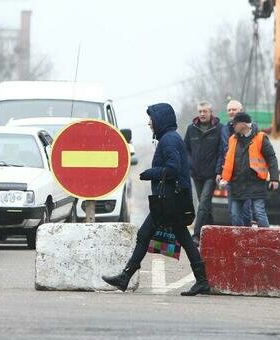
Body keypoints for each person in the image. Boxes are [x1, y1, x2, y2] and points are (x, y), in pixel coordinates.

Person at [102, 103, 210, 296]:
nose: (149, 123)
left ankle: (125, 277)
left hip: (170, 201)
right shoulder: (169, 138)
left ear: (161, 120)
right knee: (180, 238)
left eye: (151, 119)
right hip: (171, 199)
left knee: (146, 235)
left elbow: (173, 169)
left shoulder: (169, 140)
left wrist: (151, 173)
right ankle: (201, 281)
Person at [218, 112, 279, 227]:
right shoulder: (232, 139)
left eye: (234, 124)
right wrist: (224, 178)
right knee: (235, 215)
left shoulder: (261, 138)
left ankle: (265, 240)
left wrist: (274, 179)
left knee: (259, 213)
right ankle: (239, 241)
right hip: (237, 183)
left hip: (256, 183)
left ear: (242, 125)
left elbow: (271, 158)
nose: (233, 127)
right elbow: (228, 160)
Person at [183, 101, 223, 242]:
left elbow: (221, 152)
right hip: (196, 173)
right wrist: (189, 164)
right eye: (200, 111)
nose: (202, 114)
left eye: (205, 111)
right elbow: (185, 149)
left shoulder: (219, 129)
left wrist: (219, 171)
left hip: (211, 174)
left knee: (204, 202)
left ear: (210, 112)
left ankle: (196, 235)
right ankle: (213, 234)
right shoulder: (191, 129)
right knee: (205, 204)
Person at [218, 100, 259, 223]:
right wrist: (219, 172)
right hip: (231, 175)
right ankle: (237, 239)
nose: (231, 112)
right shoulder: (225, 129)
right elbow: (223, 152)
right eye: (229, 110)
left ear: (240, 110)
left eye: (234, 109)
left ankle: (247, 236)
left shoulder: (252, 129)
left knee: (246, 211)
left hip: (246, 175)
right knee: (233, 211)